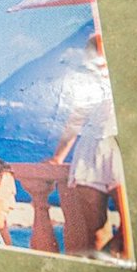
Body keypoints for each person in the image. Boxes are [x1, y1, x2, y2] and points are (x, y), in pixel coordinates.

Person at [48, 34, 124, 256]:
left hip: (118, 149)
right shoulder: (89, 83)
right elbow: (75, 121)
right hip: (91, 152)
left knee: (129, 227)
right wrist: (58, 158)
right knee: (96, 232)